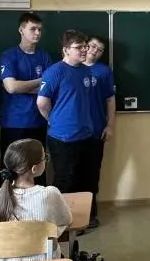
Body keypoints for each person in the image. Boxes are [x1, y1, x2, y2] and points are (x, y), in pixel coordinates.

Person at [37, 30, 103, 199]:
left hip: (86, 135)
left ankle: (86, 213)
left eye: (85, 46)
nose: (84, 50)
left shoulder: (86, 71)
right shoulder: (55, 71)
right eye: (79, 47)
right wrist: (53, 119)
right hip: (63, 138)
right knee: (66, 182)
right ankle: (63, 216)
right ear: (66, 50)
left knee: (87, 182)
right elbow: (42, 102)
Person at [0, 139, 72, 261]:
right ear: (34, 169)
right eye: (44, 158)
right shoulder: (49, 194)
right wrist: (52, 231)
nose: (46, 160)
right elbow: (67, 219)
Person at [0, 12, 53, 175]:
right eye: (33, 29)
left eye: (40, 30)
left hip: (39, 122)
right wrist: (40, 81)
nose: (37, 33)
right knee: (12, 172)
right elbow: (11, 87)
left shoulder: (44, 56)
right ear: (21, 30)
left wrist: (23, 85)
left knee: (37, 172)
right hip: (14, 123)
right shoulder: (8, 56)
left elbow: (49, 89)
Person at [83, 35, 116, 228]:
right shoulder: (69, 68)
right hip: (71, 132)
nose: (94, 51)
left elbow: (110, 100)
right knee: (71, 174)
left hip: (96, 129)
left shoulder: (103, 71)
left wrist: (110, 125)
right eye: (92, 46)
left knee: (92, 173)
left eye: (100, 50)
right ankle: (70, 216)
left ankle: (90, 214)